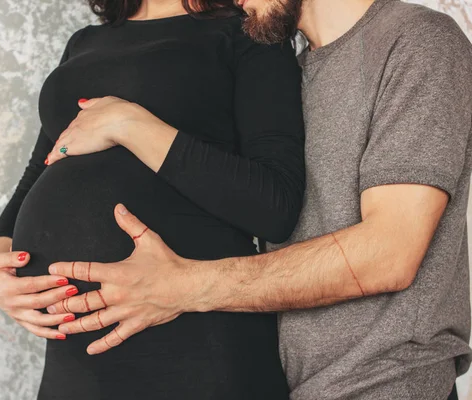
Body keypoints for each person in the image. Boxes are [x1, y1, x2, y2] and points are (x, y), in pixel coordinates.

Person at [41, 0, 472, 399]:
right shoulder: (293, 73)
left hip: (386, 381)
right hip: (291, 383)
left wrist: (178, 287)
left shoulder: (419, 39)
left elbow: (388, 254)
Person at [0, 0, 306, 399]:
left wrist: (130, 125)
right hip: (74, 358)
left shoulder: (248, 29)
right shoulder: (84, 41)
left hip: (192, 345)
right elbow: (42, 169)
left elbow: (275, 205)